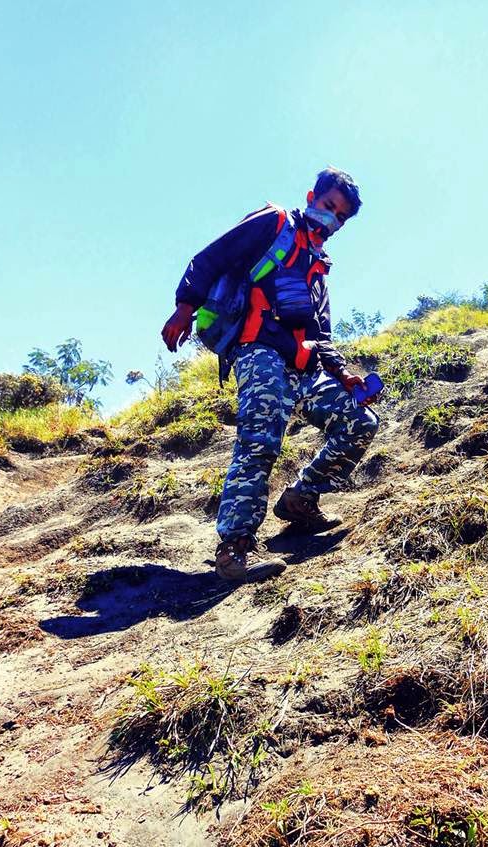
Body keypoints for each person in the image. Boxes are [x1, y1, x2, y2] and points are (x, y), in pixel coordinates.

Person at [160, 167, 379, 582]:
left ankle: (300, 499)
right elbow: (210, 258)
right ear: (313, 196)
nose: (333, 220)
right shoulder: (274, 222)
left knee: (360, 420)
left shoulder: (319, 266)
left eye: (342, 218)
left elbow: (321, 334)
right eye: (330, 207)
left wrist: (345, 376)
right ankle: (234, 550)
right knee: (259, 441)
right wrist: (185, 306)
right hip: (258, 351)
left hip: (303, 364)